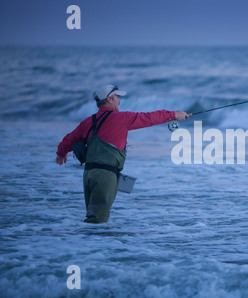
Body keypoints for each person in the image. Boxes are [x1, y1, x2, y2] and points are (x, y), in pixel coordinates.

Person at [56, 84, 191, 223]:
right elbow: (149, 118)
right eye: (116, 97)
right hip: (106, 176)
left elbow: (69, 139)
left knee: (93, 217)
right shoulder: (122, 118)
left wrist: (61, 153)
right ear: (109, 100)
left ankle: (85, 243)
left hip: (89, 174)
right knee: (97, 221)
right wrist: (174, 114)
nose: (119, 101)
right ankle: (92, 244)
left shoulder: (88, 122)